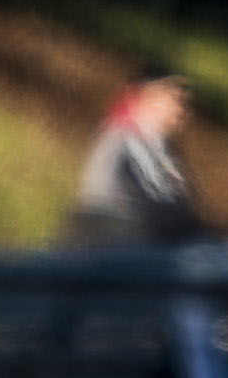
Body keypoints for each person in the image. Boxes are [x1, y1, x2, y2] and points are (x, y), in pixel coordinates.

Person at [65, 73, 209, 247]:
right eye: (177, 100)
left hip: (149, 238)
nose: (184, 110)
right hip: (119, 238)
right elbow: (105, 192)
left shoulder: (157, 146)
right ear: (150, 101)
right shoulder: (124, 141)